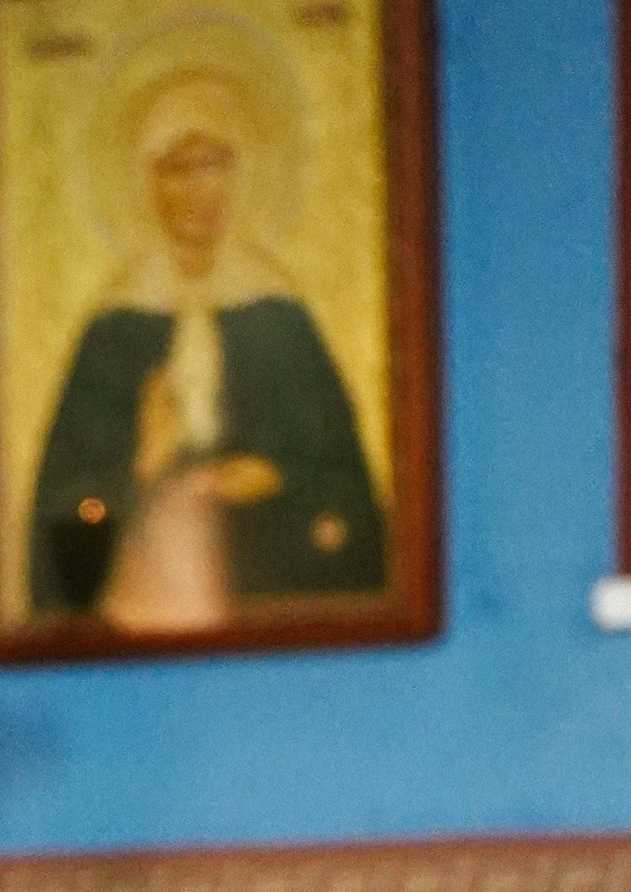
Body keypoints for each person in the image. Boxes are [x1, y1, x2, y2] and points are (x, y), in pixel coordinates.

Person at [28, 55, 385, 635]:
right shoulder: (113, 331)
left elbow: (346, 488)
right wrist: (140, 464)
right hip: (142, 590)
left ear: (240, 175)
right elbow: (60, 520)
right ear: (147, 182)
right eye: (177, 168)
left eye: (214, 164)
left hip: (266, 582)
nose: (198, 189)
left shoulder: (281, 320)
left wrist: (275, 476)